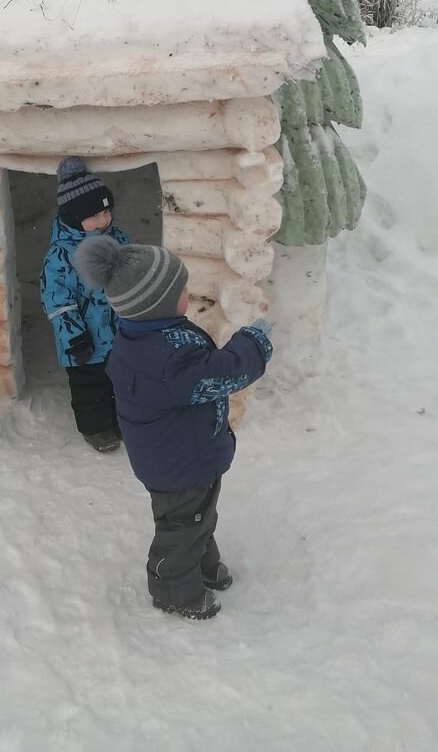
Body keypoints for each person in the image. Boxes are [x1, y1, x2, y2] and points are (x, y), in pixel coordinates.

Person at [74, 235, 272, 621]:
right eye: (181, 289)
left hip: (183, 455)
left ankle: (202, 564)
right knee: (183, 526)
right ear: (156, 304)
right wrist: (254, 343)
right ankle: (173, 589)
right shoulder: (166, 358)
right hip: (180, 464)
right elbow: (220, 374)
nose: (188, 291)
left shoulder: (146, 337)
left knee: (198, 516)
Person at [40, 157, 129, 453]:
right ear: (74, 217)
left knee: (120, 380)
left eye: (105, 211)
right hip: (84, 338)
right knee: (90, 387)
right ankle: (95, 428)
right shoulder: (61, 256)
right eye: (94, 215)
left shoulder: (118, 240)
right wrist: (74, 338)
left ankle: (119, 420)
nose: (103, 220)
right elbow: (58, 301)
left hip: (118, 334)